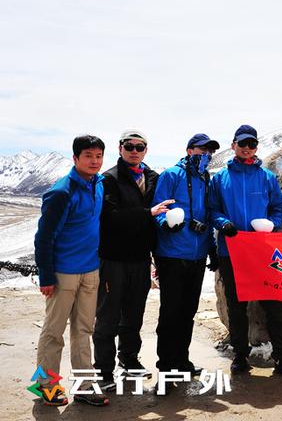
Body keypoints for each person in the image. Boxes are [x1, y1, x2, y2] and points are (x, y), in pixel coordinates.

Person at [209, 125, 282, 377]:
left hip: (264, 252)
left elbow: (277, 208)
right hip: (231, 251)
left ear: (256, 147)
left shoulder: (267, 177)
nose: (247, 148)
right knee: (237, 306)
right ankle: (239, 356)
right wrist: (222, 223)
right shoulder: (220, 178)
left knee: (274, 305)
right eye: (242, 144)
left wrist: (272, 224)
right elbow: (213, 209)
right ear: (234, 144)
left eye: (251, 144)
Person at [93, 130, 173, 390]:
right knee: (107, 316)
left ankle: (128, 359)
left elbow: (161, 215)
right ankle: (104, 371)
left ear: (146, 150)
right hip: (113, 259)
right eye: (130, 146)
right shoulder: (109, 179)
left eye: (140, 147)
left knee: (134, 314)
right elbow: (109, 217)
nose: (134, 151)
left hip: (141, 259)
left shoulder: (152, 178)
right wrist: (147, 213)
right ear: (120, 148)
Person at [34, 135, 110, 406]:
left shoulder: (98, 185)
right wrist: (46, 275)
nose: (94, 161)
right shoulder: (61, 192)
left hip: (91, 270)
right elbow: (43, 238)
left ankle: (85, 386)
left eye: (99, 156)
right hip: (63, 272)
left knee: (84, 330)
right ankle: (46, 386)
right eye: (88, 155)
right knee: (54, 332)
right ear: (75, 158)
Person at [151, 133, 220, 393]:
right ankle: (166, 367)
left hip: (197, 253)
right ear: (189, 150)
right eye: (202, 149)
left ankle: (181, 360)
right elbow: (159, 208)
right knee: (170, 312)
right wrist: (166, 224)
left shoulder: (206, 178)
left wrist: (211, 249)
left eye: (209, 151)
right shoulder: (171, 175)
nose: (206, 155)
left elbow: (208, 215)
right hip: (171, 253)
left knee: (188, 311)